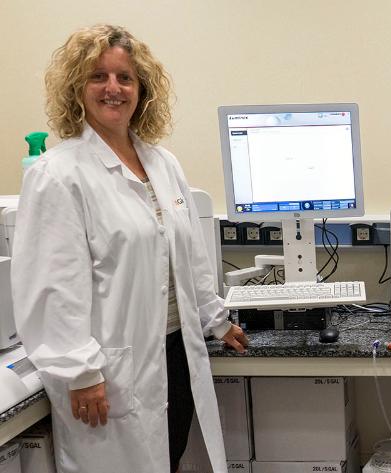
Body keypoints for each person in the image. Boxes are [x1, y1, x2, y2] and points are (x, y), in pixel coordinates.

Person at [12, 24, 249, 473]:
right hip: (109, 369)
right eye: (97, 76)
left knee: (173, 456)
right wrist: (78, 372)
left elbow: (188, 256)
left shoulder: (161, 163)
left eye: (125, 78)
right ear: (76, 89)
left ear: (142, 90)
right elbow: (53, 286)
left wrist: (216, 319)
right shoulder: (57, 174)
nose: (113, 88)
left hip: (176, 353)